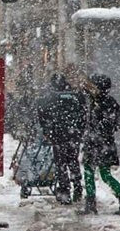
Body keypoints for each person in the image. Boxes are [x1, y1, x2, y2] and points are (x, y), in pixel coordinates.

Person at [79, 74, 120, 215]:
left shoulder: (107, 103)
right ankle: (94, 203)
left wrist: (99, 128)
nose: (90, 88)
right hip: (97, 143)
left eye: (93, 86)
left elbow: (116, 123)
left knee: (103, 174)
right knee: (90, 172)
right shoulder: (94, 101)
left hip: (101, 144)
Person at [37, 73, 86, 204]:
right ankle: (77, 187)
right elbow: (83, 113)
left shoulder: (51, 97)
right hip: (73, 135)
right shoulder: (75, 96)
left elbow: (42, 113)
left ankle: (65, 191)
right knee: (73, 162)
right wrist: (79, 130)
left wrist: (47, 130)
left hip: (58, 136)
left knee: (61, 164)